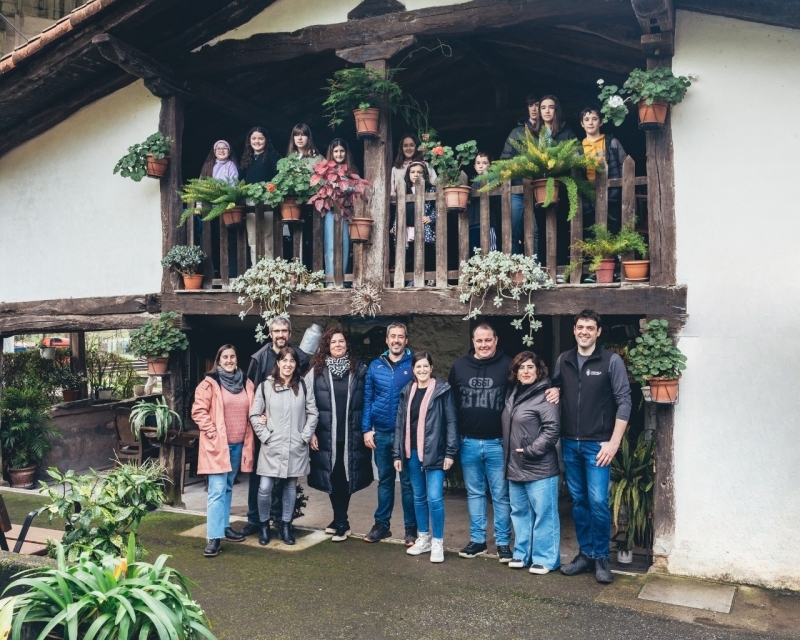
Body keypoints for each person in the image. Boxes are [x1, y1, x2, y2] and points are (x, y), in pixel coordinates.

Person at [547, 309, 632, 584]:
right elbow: (557, 386)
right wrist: (555, 390)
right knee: (579, 500)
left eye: (590, 328)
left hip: (598, 445)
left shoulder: (611, 361)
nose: (584, 332)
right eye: (580, 327)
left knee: (597, 501)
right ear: (574, 330)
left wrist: (614, 443)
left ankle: (602, 557)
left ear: (598, 332)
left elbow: (624, 401)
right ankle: (585, 554)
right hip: (570, 443)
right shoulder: (564, 359)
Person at [448, 323, 513, 563]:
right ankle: (478, 540)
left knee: (501, 495)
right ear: (473, 342)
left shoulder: (509, 366)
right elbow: (451, 404)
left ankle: (503, 543)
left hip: (498, 443)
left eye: (488, 340)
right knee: (475, 493)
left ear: (495, 340)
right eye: (479, 340)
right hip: (468, 442)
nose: (483, 345)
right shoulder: (459, 366)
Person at [240, 317, 310, 538]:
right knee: (260, 479)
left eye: (284, 331)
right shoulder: (259, 358)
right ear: (270, 334)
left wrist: (304, 433)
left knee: (287, 478)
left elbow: (307, 397)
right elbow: (251, 391)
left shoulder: (300, 358)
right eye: (276, 331)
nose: (280, 335)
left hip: (291, 431)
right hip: (267, 431)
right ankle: (256, 520)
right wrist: (259, 420)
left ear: (290, 334)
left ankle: (282, 520)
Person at [308, 327, 373, 542]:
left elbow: (369, 400)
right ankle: (339, 520)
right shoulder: (316, 372)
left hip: (352, 435)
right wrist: (310, 432)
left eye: (341, 341)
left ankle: (341, 523)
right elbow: (307, 403)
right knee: (332, 477)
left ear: (347, 345)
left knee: (346, 477)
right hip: (326, 435)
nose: (337, 345)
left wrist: (368, 428)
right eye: (333, 342)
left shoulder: (360, 370)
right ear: (326, 346)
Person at [393, 351, 458, 563]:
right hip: (411, 452)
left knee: (434, 498)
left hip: (435, 453)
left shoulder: (442, 390)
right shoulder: (407, 391)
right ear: (413, 370)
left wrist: (450, 452)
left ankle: (438, 542)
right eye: (418, 367)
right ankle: (424, 538)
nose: (422, 370)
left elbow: (451, 422)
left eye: (425, 366)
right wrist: (397, 454)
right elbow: (400, 425)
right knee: (419, 497)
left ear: (431, 368)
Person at [249, 347, 319, 546]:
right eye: (284, 360)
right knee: (264, 488)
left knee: (289, 487)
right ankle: (264, 526)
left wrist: (304, 437)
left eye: (292, 361)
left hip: (295, 446)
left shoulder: (303, 385)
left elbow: (313, 413)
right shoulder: (266, 386)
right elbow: (254, 415)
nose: (288, 364)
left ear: (296, 364)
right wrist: (266, 436)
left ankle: (285, 526)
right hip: (271, 446)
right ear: (278, 363)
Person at [191, 344, 255, 558]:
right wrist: (212, 432)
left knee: (227, 487)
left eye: (232, 356)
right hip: (218, 445)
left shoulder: (246, 383)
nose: (229, 360)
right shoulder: (209, 384)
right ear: (218, 360)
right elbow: (198, 411)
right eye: (225, 357)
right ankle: (214, 537)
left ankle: (224, 526)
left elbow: (255, 409)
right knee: (217, 490)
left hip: (238, 444)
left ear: (237, 359)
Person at [502, 351, 561, 574]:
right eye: (521, 367)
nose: (525, 371)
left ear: (538, 371)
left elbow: (552, 429)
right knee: (519, 512)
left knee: (544, 514)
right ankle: (521, 554)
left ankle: (545, 559)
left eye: (530, 367)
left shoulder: (546, 395)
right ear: (516, 372)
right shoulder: (513, 393)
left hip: (539, 466)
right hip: (515, 465)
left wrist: (530, 451)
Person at [362, 322, 417, 545]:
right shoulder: (376, 366)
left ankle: (411, 529)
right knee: (385, 481)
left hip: (406, 435)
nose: (396, 340)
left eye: (400, 336)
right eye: (392, 336)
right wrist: (367, 429)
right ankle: (382, 526)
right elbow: (367, 399)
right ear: (387, 340)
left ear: (406, 340)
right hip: (382, 432)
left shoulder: (414, 364)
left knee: (407, 483)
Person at [500, 94, 540, 256]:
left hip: (542, 187)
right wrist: (519, 166)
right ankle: (514, 265)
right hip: (517, 187)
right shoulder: (516, 132)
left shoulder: (548, 131)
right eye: (531, 105)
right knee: (514, 230)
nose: (534, 109)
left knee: (536, 231)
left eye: (537, 105)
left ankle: (535, 266)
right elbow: (505, 159)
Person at [579, 106, 628, 232]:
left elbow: (625, 166)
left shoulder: (612, 143)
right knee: (591, 235)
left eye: (594, 119)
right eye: (586, 119)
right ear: (582, 124)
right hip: (587, 199)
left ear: (601, 122)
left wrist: (618, 189)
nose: (590, 122)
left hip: (611, 196)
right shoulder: (578, 148)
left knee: (613, 233)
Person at [240, 126, 281, 264]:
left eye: (260, 138)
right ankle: (256, 269)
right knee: (252, 237)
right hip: (250, 201)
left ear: (266, 140)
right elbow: (240, 181)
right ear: (249, 140)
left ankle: (268, 270)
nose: (257, 141)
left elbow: (279, 178)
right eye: (254, 138)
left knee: (268, 235)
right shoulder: (247, 158)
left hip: (268, 199)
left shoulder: (272, 156)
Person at [392, 162, 437, 287]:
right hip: (408, 226)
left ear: (425, 174)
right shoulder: (404, 190)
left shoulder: (430, 189)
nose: (416, 174)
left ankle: (430, 278)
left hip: (423, 226)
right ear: (408, 174)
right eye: (413, 172)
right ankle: (414, 278)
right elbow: (398, 211)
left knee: (427, 252)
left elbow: (437, 207)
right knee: (411, 253)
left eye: (419, 172)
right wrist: (395, 225)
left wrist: (431, 218)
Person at [322, 139, 357, 286]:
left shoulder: (351, 171)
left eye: (342, 151)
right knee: (330, 245)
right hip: (330, 212)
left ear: (346, 153)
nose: (339, 154)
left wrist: (345, 187)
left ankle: (343, 282)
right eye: (336, 151)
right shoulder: (325, 171)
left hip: (346, 213)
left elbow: (357, 188)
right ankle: (330, 282)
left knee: (345, 246)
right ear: (331, 153)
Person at [467, 151, 498, 255]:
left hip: (489, 222)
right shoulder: (473, 183)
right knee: (475, 250)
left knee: (491, 248)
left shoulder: (494, 180)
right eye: (478, 163)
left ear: (490, 165)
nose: (481, 166)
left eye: (484, 163)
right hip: (473, 223)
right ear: (474, 166)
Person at [390, 133, 437, 197]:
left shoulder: (426, 165)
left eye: (411, 145)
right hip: (401, 202)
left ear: (416, 147)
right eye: (405, 145)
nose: (408, 148)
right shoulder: (396, 169)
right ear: (401, 148)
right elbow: (392, 193)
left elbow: (436, 186)